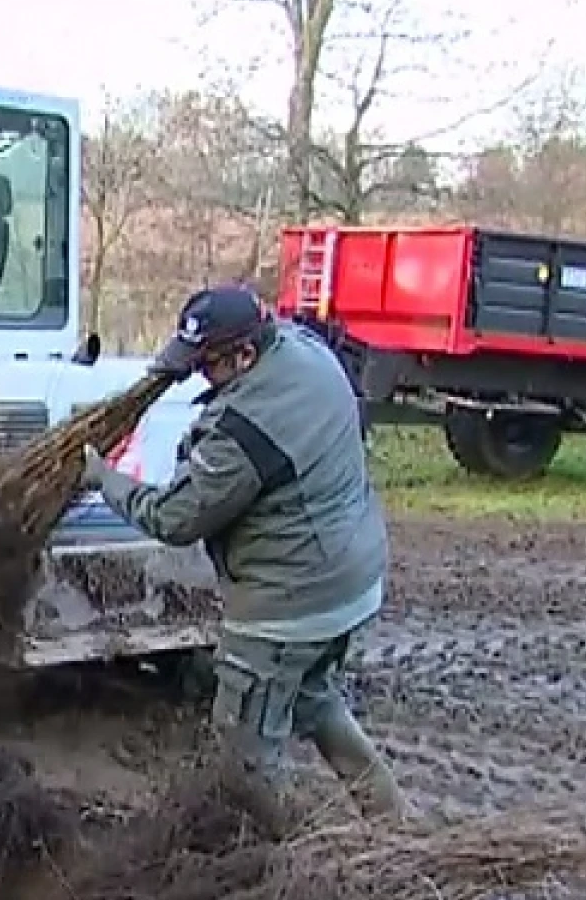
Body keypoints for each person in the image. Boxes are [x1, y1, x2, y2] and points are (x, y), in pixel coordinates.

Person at [80, 285, 406, 819]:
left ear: (245, 355)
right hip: (354, 580)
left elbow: (174, 518)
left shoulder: (244, 430)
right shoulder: (308, 351)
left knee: (245, 761)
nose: (203, 377)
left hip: (289, 607)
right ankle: (392, 820)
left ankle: (263, 871)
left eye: (208, 366)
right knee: (312, 694)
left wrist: (104, 479)